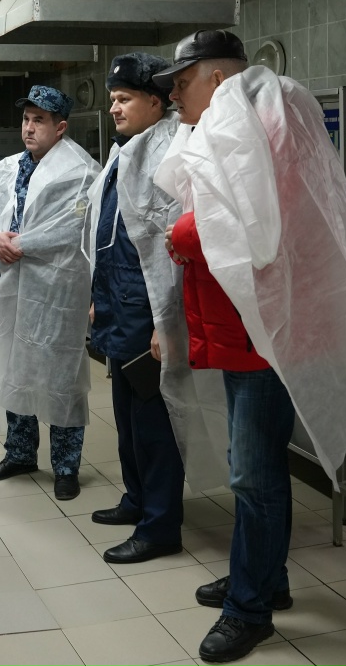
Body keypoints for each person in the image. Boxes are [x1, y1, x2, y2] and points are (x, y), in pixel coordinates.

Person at [152, 30, 346, 663]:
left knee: (254, 472)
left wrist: (182, 234)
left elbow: (258, 224)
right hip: (248, 328)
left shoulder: (266, 120)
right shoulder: (243, 119)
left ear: (216, 78)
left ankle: (250, 609)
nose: (174, 97)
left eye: (180, 84)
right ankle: (266, 577)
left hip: (268, 335)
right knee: (254, 463)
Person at [85, 53, 227, 565]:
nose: (114, 108)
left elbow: (169, 250)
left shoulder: (170, 152)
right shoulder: (127, 151)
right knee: (126, 418)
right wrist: (99, 300)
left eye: (123, 99)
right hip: (119, 305)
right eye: (112, 100)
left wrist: (166, 323)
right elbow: (109, 234)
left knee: (155, 422)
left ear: (154, 100)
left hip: (148, 312)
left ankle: (160, 524)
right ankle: (137, 498)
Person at [0, 85, 100, 500]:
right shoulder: (9, 168)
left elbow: (72, 228)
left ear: (61, 127)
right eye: (26, 119)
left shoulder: (80, 171)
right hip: (12, 285)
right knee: (13, 367)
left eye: (39, 120)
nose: (29, 127)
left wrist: (16, 245)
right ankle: (20, 453)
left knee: (61, 375)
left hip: (57, 290)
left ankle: (66, 467)